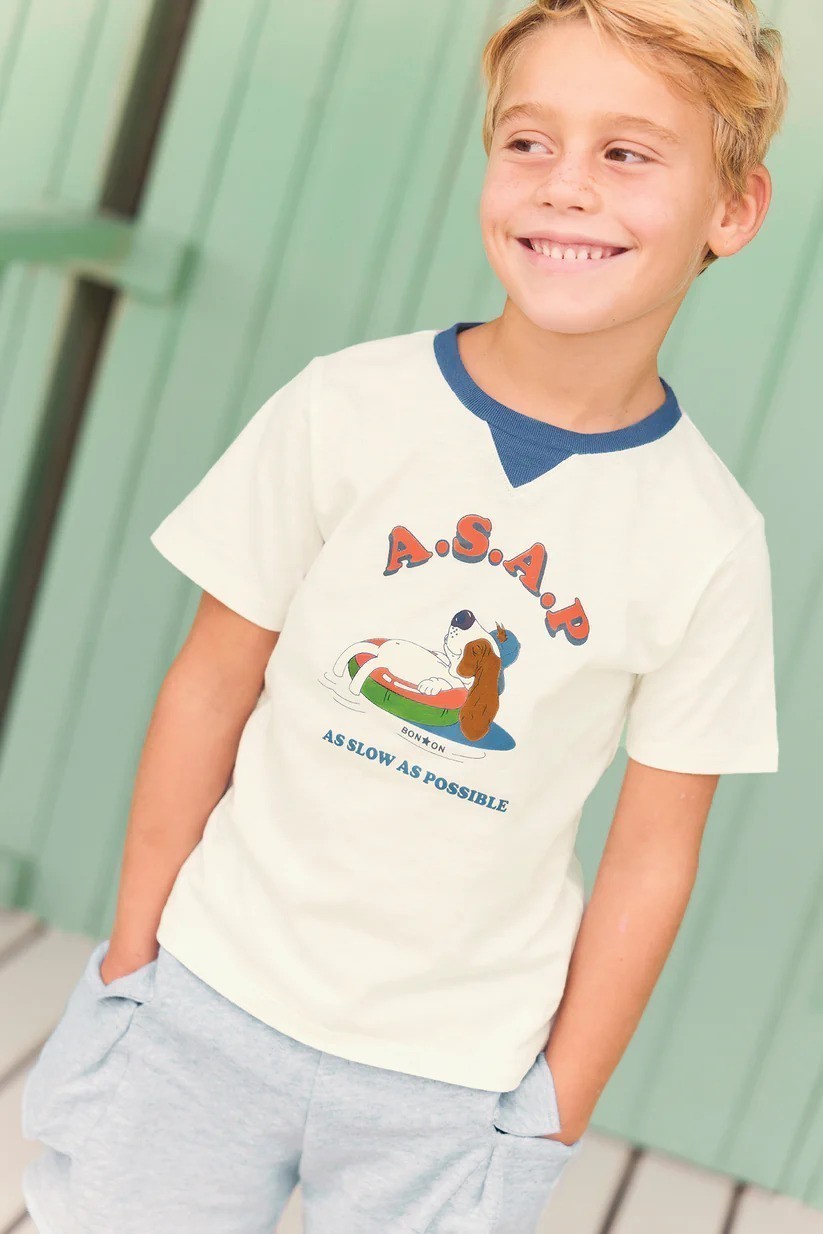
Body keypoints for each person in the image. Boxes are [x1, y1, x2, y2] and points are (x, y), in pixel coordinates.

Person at [21, 2, 787, 1231]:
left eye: (626, 152)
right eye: (529, 142)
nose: (565, 186)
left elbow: (652, 853)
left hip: (451, 1079)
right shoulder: (345, 407)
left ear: (732, 210)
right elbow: (210, 682)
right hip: (207, 997)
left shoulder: (706, 539)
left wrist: (555, 1110)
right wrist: (132, 956)